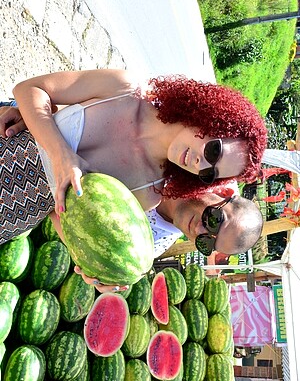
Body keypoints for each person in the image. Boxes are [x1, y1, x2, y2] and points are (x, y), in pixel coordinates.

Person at [0, 70, 267, 289]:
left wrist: (86, 259)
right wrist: (60, 153)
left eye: (209, 173)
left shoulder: (147, 195)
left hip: (12, 217)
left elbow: (60, 213)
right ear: (211, 117)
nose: (201, 164)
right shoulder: (124, 89)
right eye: (213, 150)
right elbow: (28, 89)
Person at [146, 191, 263, 259]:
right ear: (223, 192)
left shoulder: (149, 246)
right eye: (214, 221)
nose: (199, 230)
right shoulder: (178, 157)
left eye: (207, 243)